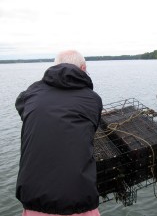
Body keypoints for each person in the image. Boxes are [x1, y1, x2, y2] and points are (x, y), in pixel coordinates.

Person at [15, 50, 103, 216]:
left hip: (33, 201)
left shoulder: (31, 93)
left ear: (54, 66)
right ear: (83, 68)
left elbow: (21, 107)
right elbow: (93, 126)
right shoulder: (93, 99)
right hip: (79, 204)